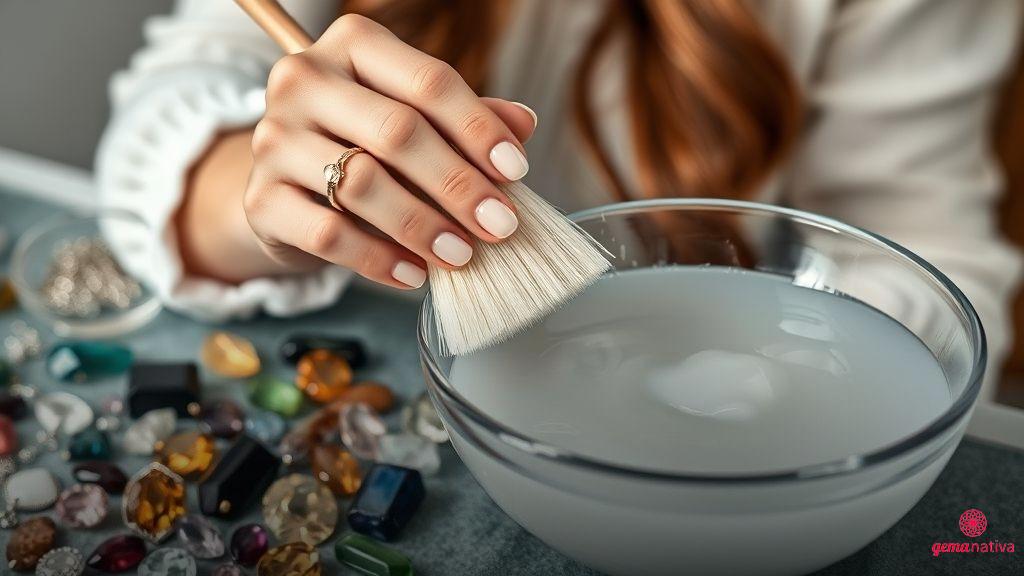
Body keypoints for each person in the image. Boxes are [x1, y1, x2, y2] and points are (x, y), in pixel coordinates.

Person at [97, 0, 1021, 398]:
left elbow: (937, 265)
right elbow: (173, 100)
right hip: (415, 368)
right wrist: (271, 204)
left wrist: (736, 385)